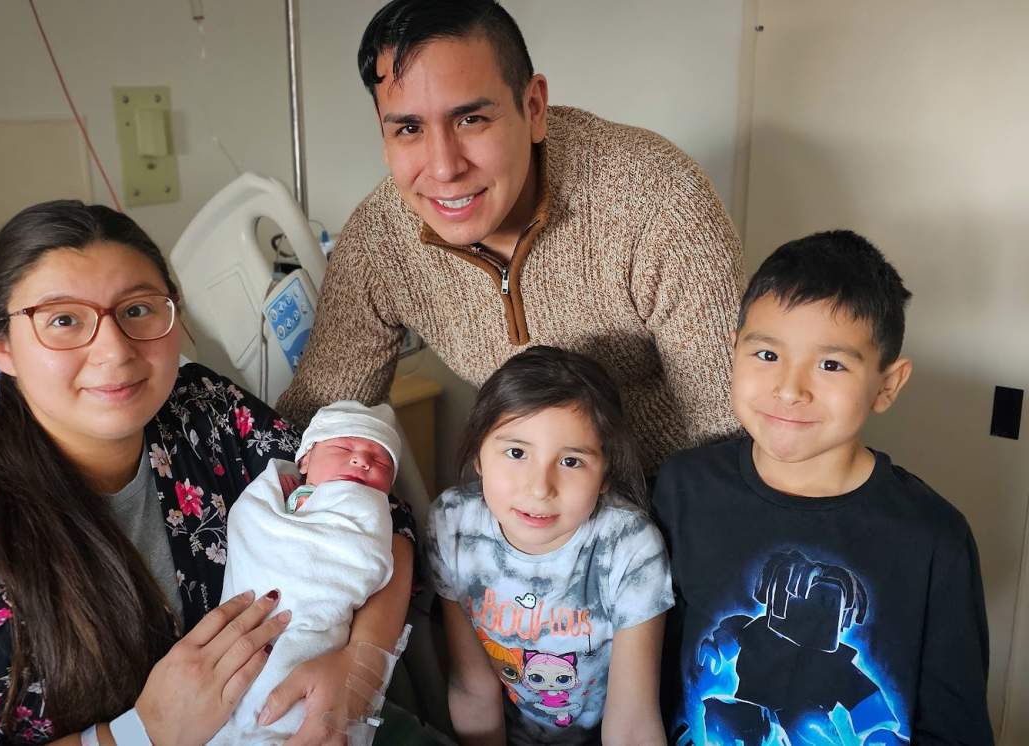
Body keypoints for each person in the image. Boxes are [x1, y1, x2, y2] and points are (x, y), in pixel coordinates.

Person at [0, 201, 414, 745]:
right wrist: (141, 732)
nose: (114, 350)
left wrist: (359, 669)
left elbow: (382, 520)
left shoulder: (202, 414)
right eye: (62, 320)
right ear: (0, 343)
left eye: (137, 310)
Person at [277, 0, 742, 474]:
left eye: (471, 120)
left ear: (533, 107)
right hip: (516, 490)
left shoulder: (657, 198)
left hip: (676, 484)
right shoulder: (380, 243)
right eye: (409, 128)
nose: (444, 168)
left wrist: (550, 446)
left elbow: (722, 407)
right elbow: (319, 419)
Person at [653, 231, 992, 744]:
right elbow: (642, 672)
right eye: (766, 355)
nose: (790, 389)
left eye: (831, 365)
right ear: (733, 351)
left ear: (887, 385)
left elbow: (953, 725)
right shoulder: (682, 490)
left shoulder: (933, 538)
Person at [425, 346, 673, 744]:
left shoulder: (629, 546)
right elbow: (473, 686)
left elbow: (632, 724)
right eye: (517, 452)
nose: (540, 488)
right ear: (478, 455)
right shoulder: (453, 525)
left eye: (571, 461)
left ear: (605, 474)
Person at [212, 400, 403, 744]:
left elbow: (370, 560)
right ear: (304, 460)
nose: (361, 460)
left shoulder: (369, 511)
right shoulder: (271, 494)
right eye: (343, 447)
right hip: (227, 655)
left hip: (313, 652)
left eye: (380, 460)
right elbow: (246, 523)